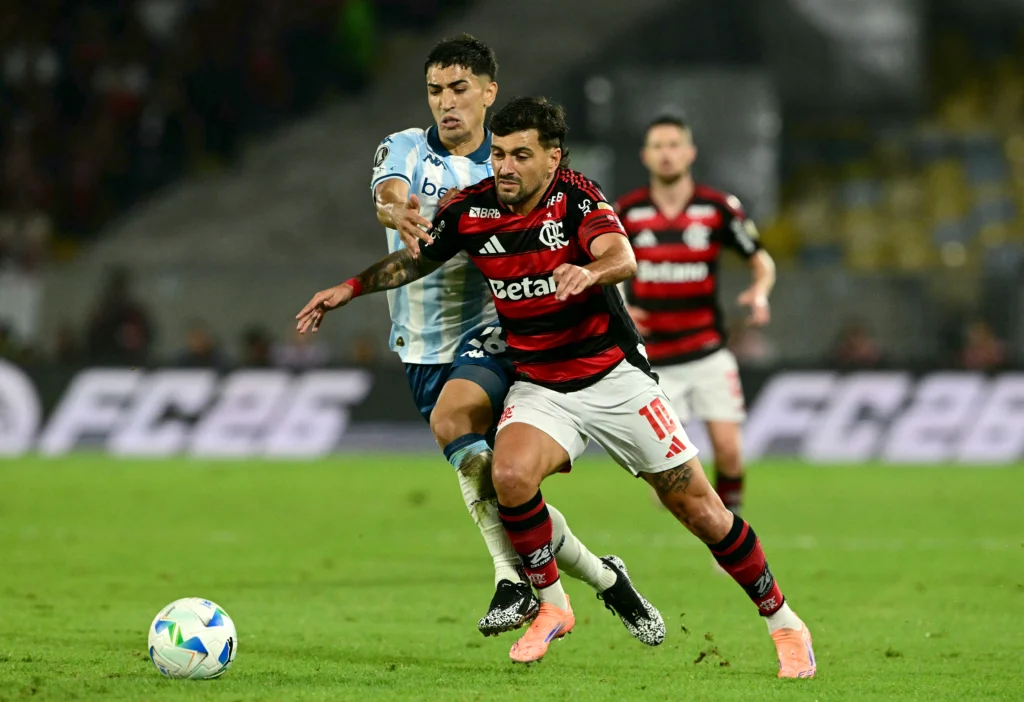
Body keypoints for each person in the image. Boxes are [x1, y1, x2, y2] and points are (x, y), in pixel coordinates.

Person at [295, 97, 816, 676]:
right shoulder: (471, 209)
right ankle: (551, 605)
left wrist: (588, 272)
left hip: (613, 378)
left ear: (553, 157)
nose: (505, 166)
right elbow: (415, 262)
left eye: (521, 155)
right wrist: (348, 289)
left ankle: (784, 622)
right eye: (498, 153)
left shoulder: (578, 197)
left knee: (703, 513)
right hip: (541, 383)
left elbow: (622, 256)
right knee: (509, 475)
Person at [360, 35, 665, 642]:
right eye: (435, 90)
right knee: (501, 486)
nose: (446, 102)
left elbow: (570, 229)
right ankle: (606, 579)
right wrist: (395, 211)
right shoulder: (403, 147)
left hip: (496, 336)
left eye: (459, 89)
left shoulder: (506, 166)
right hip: (420, 345)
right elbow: (387, 194)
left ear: (488, 93)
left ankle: (512, 581)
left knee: (480, 448)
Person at [616, 115, 777, 518]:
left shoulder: (717, 208)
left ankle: (732, 533)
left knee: (730, 451)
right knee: (666, 484)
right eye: (658, 146)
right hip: (652, 360)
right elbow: (601, 266)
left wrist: (759, 291)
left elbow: (762, 261)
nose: (666, 154)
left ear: (689, 153)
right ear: (645, 156)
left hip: (707, 349)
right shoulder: (626, 212)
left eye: (674, 145)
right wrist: (619, 306)